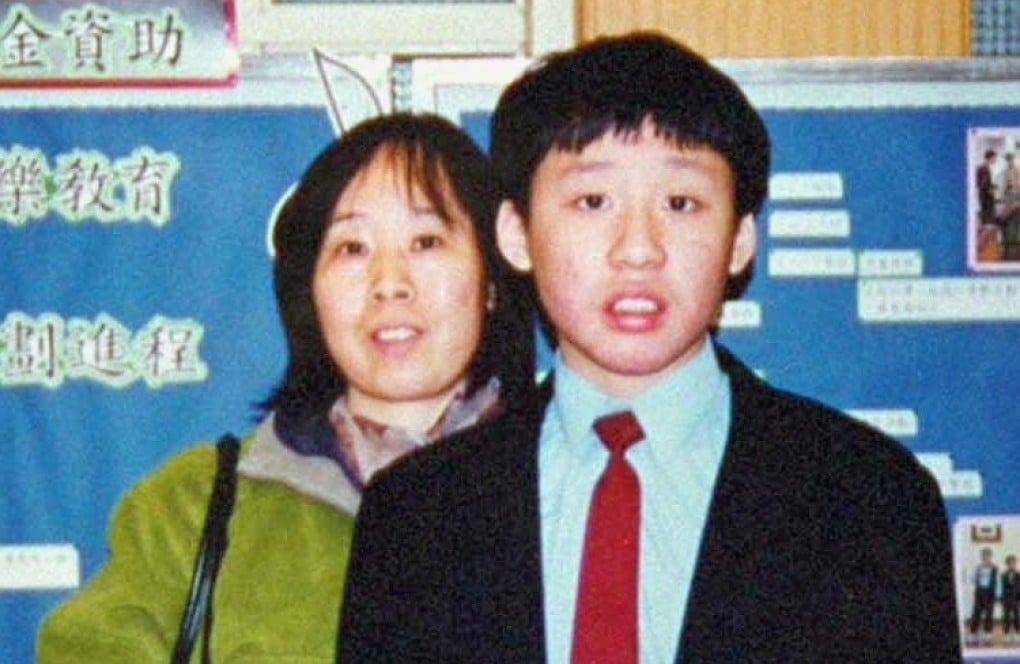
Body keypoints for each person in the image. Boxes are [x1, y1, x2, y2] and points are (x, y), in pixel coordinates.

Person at [337, 33, 960, 662]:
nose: (638, 247)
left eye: (682, 203)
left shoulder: (870, 501)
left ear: (740, 240)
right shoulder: (416, 517)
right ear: (517, 233)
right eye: (592, 201)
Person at [36, 113, 535, 662]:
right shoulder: (196, 505)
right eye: (352, 248)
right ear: (309, 291)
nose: (389, 283)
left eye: (426, 241)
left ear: (491, 276)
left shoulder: (561, 484)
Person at [1002, 553, 1020, 644]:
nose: (1012, 564)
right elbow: (1001, 588)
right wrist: (1001, 598)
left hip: (1016, 599)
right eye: (1010, 563)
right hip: (1006, 600)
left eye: (1014, 563)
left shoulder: (1018, 575)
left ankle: (1017, 633)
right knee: (1006, 617)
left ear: (1016, 563)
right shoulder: (1003, 575)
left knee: (1016, 616)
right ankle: (1006, 633)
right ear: (1007, 564)